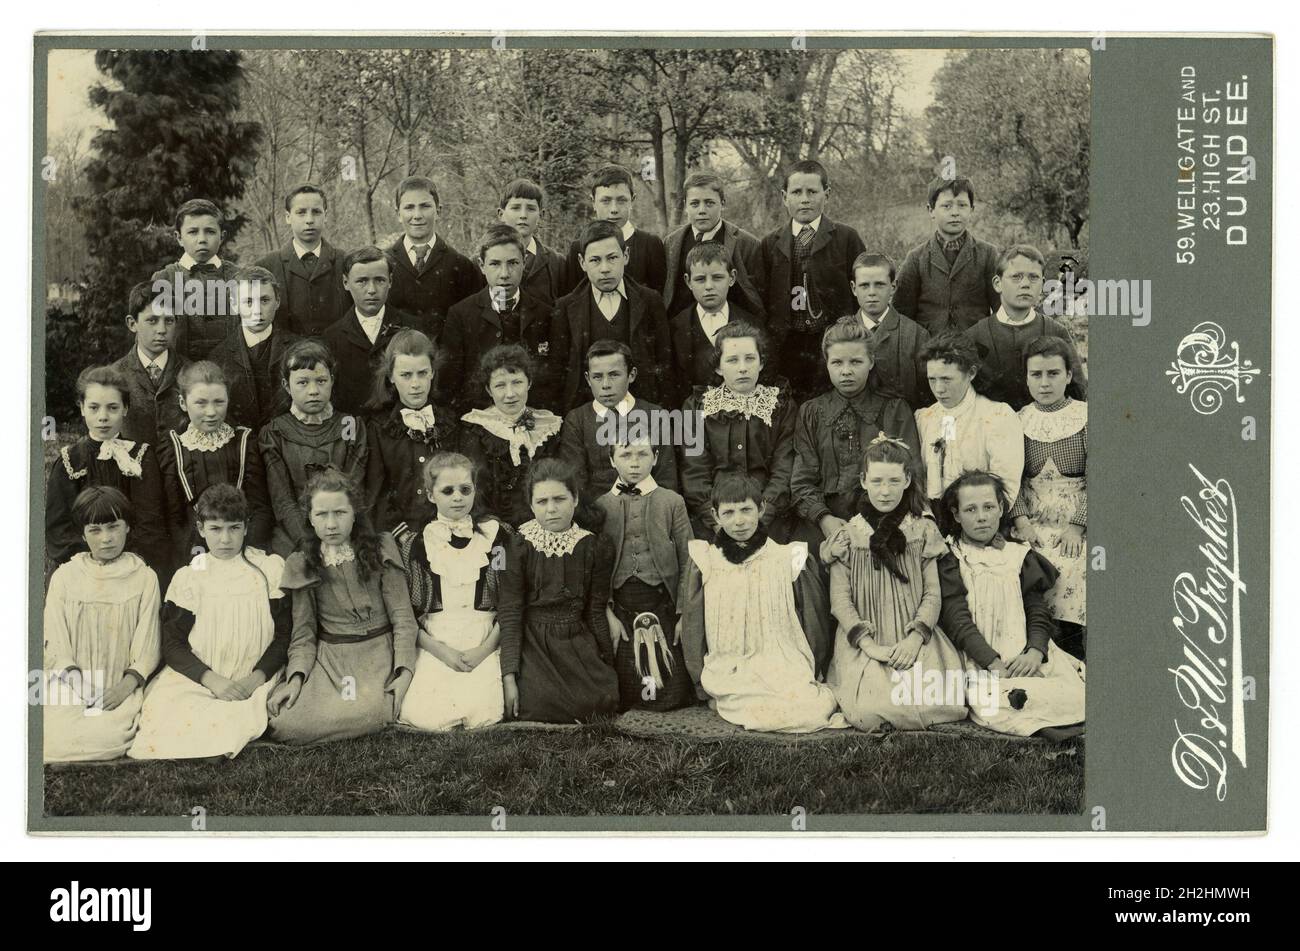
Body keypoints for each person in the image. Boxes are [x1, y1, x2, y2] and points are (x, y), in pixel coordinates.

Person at [128, 484, 288, 760]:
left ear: (246, 527)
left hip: (255, 676)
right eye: (216, 529)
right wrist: (212, 681)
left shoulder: (269, 569)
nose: (225, 539)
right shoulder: (190, 577)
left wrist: (254, 680)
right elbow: (173, 644)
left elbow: (284, 634)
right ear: (201, 529)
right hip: (204, 677)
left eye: (234, 528)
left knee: (234, 719)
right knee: (165, 719)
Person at [821, 435, 966, 732]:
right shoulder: (848, 536)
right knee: (871, 710)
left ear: (907, 479)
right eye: (876, 481)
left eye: (892, 481)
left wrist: (915, 638)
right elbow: (840, 600)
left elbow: (932, 593)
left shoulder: (923, 530)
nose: (885, 492)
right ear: (863, 481)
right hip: (866, 638)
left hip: (912, 633)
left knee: (940, 699)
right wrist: (869, 646)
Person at [680, 473, 844, 733]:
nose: (739, 521)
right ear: (715, 515)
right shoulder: (706, 560)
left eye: (746, 510)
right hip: (730, 665)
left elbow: (814, 623)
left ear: (761, 509)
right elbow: (693, 628)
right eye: (729, 512)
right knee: (755, 707)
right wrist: (701, 685)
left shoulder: (788, 558)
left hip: (781, 660)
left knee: (805, 707)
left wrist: (813, 669)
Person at [266, 467, 418, 744]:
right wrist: (296, 679)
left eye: (340, 513)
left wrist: (404, 671)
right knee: (285, 723)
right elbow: (304, 633)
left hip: (378, 654)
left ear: (355, 513)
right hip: (332, 659)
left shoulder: (382, 547)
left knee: (372, 710)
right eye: (321, 514)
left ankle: (373, 709)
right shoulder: (301, 563)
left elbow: (403, 619)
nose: (331, 524)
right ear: (310, 518)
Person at [937, 471, 1085, 737]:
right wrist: (992, 662)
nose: (981, 516)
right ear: (957, 515)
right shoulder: (953, 556)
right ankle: (1021, 700)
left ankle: (1033, 700)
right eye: (970, 509)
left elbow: (1037, 611)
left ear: (1002, 509)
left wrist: (1035, 651)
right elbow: (956, 619)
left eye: (989, 507)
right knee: (991, 702)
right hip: (979, 660)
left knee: (1076, 695)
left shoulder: (1018, 555)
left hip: (1024, 656)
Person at [496, 458, 620, 723]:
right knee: (539, 703)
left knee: (601, 701)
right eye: (541, 502)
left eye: (559, 499)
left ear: (575, 499)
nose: (551, 509)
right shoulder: (517, 545)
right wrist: (509, 675)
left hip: (574, 638)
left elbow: (595, 610)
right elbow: (509, 611)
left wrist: (608, 665)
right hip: (533, 642)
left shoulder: (594, 546)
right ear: (530, 505)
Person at [394, 452, 510, 732]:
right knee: (426, 714)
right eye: (447, 491)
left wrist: (484, 650)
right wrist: (439, 651)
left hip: (484, 637)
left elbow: (509, 603)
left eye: (465, 489)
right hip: (436, 640)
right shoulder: (415, 544)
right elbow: (408, 615)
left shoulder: (496, 537)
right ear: (432, 495)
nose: (457, 497)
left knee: (484, 713)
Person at [42, 487, 160, 762]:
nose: (106, 538)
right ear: (82, 534)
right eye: (95, 530)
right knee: (50, 737)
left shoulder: (144, 577)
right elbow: (56, 639)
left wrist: (124, 687)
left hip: (119, 685)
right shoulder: (65, 577)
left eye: (114, 527)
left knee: (105, 737)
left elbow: (148, 645)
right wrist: (80, 686)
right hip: (71, 682)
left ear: (128, 527)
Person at [791, 316, 921, 547]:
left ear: (871, 362)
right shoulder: (811, 412)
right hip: (825, 520)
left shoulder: (893, 409)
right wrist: (823, 518)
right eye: (837, 363)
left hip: (885, 515)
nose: (846, 371)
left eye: (856, 362)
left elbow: (911, 473)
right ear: (827, 363)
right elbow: (802, 481)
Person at [594, 439, 695, 711]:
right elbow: (595, 568)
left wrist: (684, 612)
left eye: (642, 454)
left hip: (662, 602)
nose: (635, 462)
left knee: (672, 681)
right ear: (612, 460)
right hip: (621, 605)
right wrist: (606, 610)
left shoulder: (671, 502)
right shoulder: (602, 505)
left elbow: (689, 560)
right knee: (626, 673)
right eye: (625, 455)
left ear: (656, 456)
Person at [46, 366, 174, 581]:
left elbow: (150, 523)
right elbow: (58, 528)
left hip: (133, 566)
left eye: (112, 408)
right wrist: (93, 561)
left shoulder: (141, 456)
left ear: (125, 409)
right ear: (82, 408)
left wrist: (123, 564)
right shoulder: (70, 460)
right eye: (94, 408)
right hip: (84, 569)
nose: (103, 417)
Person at [754, 159, 865, 401]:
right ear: (785, 197)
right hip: (787, 343)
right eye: (796, 192)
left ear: (827, 194)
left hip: (830, 341)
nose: (804, 199)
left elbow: (861, 294)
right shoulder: (770, 244)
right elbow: (761, 299)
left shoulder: (846, 238)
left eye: (812, 192)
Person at [680, 322, 797, 541]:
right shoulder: (696, 407)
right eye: (732, 360)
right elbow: (694, 472)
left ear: (761, 363)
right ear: (718, 367)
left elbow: (784, 469)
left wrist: (761, 518)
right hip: (715, 520)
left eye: (750, 358)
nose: (742, 367)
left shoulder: (781, 405)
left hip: (768, 518)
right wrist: (718, 522)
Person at [1010, 336, 1088, 656]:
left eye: (1053, 374)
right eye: (1036, 375)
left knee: (1075, 567)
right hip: (1031, 518)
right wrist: (1020, 519)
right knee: (1021, 566)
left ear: (1069, 376)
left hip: (1076, 518)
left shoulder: (1086, 416)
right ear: (1027, 377)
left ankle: (1073, 656)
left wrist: (1078, 525)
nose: (1044, 383)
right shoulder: (1016, 420)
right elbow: (1009, 478)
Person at [259, 340, 368, 558]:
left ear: (332, 381)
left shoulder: (349, 426)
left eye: (321, 381)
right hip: (295, 535)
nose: (313, 391)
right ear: (286, 385)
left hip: (343, 528)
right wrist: (307, 541)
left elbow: (353, 488)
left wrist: (336, 531)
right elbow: (282, 499)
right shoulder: (275, 433)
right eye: (302, 383)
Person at [552, 219, 674, 408]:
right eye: (595, 260)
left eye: (612, 258)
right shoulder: (565, 307)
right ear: (582, 262)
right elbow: (559, 373)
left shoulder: (650, 301)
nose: (605, 268)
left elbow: (665, 366)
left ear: (625, 256)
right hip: (587, 415)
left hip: (641, 411)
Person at [438, 224, 558, 414]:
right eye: (495, 264)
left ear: (524, 262)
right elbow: (451, 383)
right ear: (481, 265)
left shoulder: (546, 313)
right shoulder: (460, 315)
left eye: (513, 263)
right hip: (478, 420)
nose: (504, 274)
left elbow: (553, 379)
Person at [158, 361, 273, 556]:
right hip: (193, 550)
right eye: (200, 403)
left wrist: (245, 549)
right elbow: (174, 517)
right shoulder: (173, 447)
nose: (211, 412)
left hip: (241, 547)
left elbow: (260, 508)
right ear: (183, 403)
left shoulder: (245, 443)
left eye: (219, 402)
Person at [363, 328, 461, 534]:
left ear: (432, 372)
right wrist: (402, 535)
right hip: (400, 534)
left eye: (422, 373)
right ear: (391, 376)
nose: (415, 384)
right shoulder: (378, 429)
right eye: (406, 375)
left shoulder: (451, 423)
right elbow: (377, 496)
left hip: (449, 528)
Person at [557, 339, 678, 506]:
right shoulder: (577, 419)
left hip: (649, 510)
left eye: (614, 375)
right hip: (598, 514)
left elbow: (666, 480)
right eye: (597, 377)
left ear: (632, 375)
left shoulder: (655, 415)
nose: (606, 385)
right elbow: (577, 485)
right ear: (587, 379)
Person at [964, 244, 1083, 410]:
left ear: (1042, 284)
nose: (1025, 284)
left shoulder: (1056, 332)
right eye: (1016, 277)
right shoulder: (975, 336)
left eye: (1033, 277)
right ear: (997, 283)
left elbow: (1078, 392)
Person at [914, 332, 1024, 505]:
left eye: (946, 379)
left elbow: (1006, 488)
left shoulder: (997, 416)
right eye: (932, 379)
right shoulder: (924, 418)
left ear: (971, 373)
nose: (938, 389)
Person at [459, 344, 563, 527]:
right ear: (489, 390)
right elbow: (477, 488)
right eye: (500, 385)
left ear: (529, 382)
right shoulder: (477, 428)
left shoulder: (549, 426)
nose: (510, 394)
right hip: (495, 525)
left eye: (517, 382)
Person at [892, 177, 1000, 335]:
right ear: (931, 210)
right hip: (929, 351)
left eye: (962, 205)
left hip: (976, 350)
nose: (955, 212)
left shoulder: (988, 254)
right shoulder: (916, 258)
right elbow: (901, 314)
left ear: (972, 209)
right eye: (946, 206)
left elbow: (1001, 310)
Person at [385, 175, 484, 339]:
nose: (417, 215)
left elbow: (471, 325)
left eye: (425, 206)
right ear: (398, 213)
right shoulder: (384, 263)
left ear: (438, 211)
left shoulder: (461, 265)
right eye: (409, 207)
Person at [321, 246, 415, 415]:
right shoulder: (331, 338)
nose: (371, 290)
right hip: (355, 429)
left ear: (390, 281)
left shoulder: (412, 328)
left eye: (379, 280)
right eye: (361, 281)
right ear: (345, 283)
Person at [207, 266, 298, 433]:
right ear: (234, 305)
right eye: (248, 302)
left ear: (277, 301)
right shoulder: (218, 357)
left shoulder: (297, 349)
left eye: (264, 300)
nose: (257, 311)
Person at [662, 171, 763, 319]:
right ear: (685, 206)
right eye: (695, 204)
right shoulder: (671, 243)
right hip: (682, 332)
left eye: (709, 203)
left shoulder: (747, 244)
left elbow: (756, 296)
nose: (702, 210)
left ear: (722, 204)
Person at [255, 183, 350, 337]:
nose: (309, 220)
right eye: (301, 212)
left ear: (325, 215)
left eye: (316, 212)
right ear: (287, 217)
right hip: (285, 358)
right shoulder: (267, 266)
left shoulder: (345, 262)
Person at [151, 198, 239, 360]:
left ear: (222, 236)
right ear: (179, 238)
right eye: (192, 232)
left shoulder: (238, 277)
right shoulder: (163, 279)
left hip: (229, 375)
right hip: (179, 377)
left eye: (210, 231)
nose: (202, 239)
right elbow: (151, 337)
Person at [669, 242, 764, 393]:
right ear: (688, 281)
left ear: (732, 278)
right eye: (700, 279)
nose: (709, 286)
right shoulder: (675, 326)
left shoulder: (752, 323)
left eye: (717, 277)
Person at [846, 252, 933, 410]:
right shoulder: (840, 333)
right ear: (853, 288)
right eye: (864, 285)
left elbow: (926, 395)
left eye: (879, 284)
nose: (872, 292)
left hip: (901, 426)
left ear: (893, 287)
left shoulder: (916, 335)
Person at [565, 163, 667, 292]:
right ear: (593, 202)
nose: (614, 210)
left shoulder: (650, 244)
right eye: (606, 201)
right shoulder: (578, 248)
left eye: (621, 200)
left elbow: (659, 297)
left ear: (632, 201)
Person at [110, 281, 189, 446]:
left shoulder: (190, 372)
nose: (161, 330)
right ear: (133, 324)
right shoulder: (114, 376)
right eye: (152, 321)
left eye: (168, 321)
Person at [497, 178, 573, 306]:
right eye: (515, 208)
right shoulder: (483, 261)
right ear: (501, 214)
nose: (523, 215)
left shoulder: (557, 263)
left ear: (541, 215)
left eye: (531, 209)